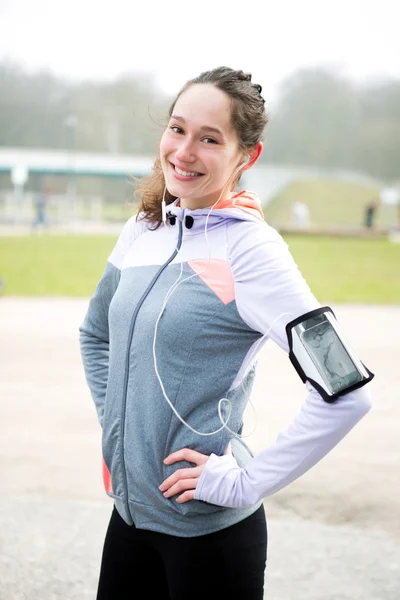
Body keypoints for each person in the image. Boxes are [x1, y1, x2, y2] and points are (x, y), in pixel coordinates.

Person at [79, 67, 373, 600]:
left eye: (210, 139)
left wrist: (243, 482)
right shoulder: (142, 230)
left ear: (246, 156)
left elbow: (346, 393)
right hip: (129, 522)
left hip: (209, 540)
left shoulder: (253, 251)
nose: (184, 151)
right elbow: (95, 334)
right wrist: (120, 426)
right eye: (177, 129)